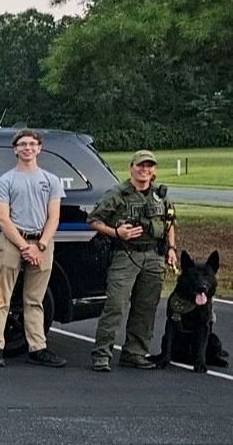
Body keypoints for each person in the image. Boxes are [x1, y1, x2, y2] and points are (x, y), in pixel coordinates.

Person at [0, 129, 68, 368]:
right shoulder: (6, 181)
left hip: (42, 242)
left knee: (35, 298)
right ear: (15, 149)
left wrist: (40, 245)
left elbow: (54, 217)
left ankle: (37, 347)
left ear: (39, 149)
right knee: (1, 295)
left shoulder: (51, 180)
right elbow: (2, 218)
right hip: (13, 241)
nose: (27, 148)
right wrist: (24, 246)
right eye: (22, 144)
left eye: (32, 144)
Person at [87, 150, 177, 372]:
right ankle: (101, 354)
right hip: (125, 255)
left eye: (149, 166)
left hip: (154, 256)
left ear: (154, 170)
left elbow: (169, 222)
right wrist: (116, 232)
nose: (144, 170)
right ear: (131, 168)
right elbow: (94, 220)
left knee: (146, 307)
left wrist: (172, 249)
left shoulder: (160, 195)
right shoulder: (117, 194)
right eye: (140, 165)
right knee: (115, 305)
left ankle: (134, 353)